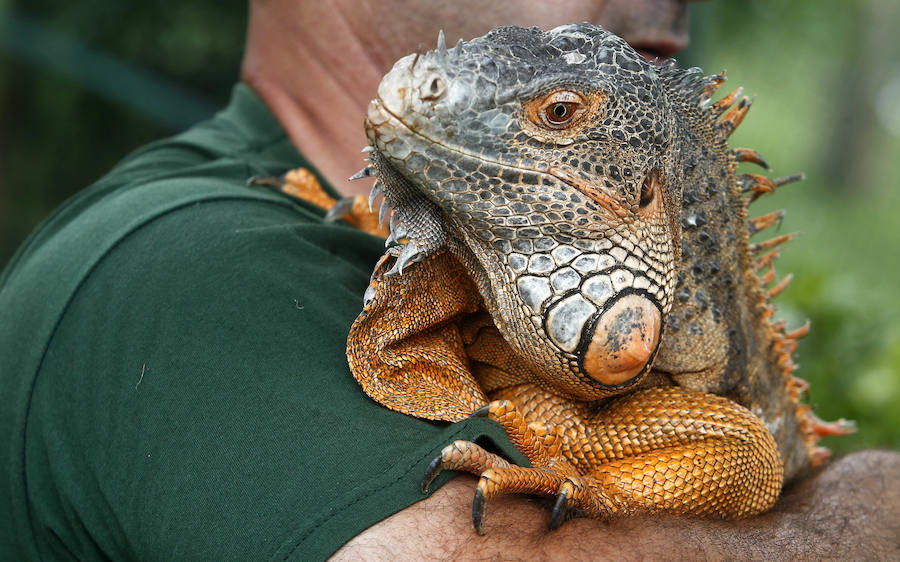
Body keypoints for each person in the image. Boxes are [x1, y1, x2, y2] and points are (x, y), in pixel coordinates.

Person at [0, 1, 896, 559]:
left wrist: (587, 475)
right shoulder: (180, 265)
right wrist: (863, 507)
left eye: (557, 113)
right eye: (557, 112)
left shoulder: (372, 227)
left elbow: (737, 456)